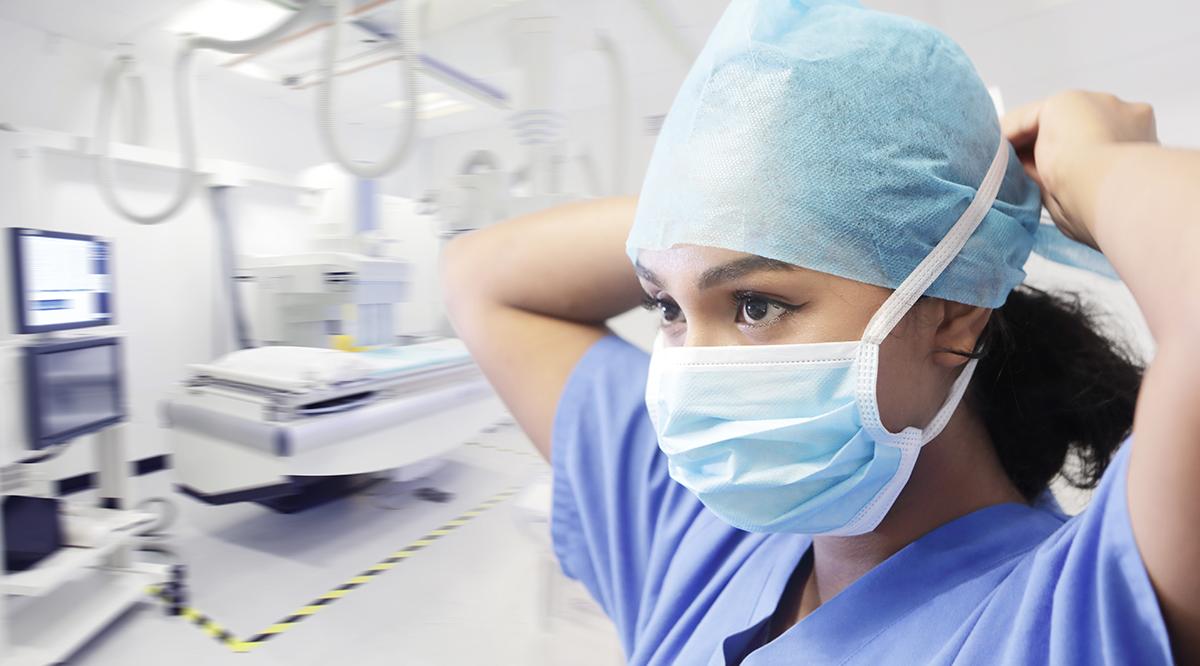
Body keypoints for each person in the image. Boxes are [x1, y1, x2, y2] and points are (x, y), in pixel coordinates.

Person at [442, 1, 1199, 663]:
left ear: (953, 314)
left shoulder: (1071, 616)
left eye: (755, 305)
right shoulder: (699, 543)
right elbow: (483, 280)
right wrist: (725, 197)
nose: (690, 375)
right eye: (666, 309)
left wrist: (1105, 165)